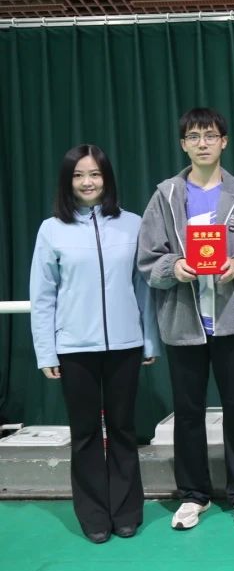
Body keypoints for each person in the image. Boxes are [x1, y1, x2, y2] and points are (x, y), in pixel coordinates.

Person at [137, 108, 234, 530]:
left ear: (224, 142)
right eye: (194, 136)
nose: (202, 143)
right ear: (183, 144)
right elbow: (148, 260)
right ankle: (194, 494)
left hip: (232, 322)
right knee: (188, 411)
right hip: (183, 324)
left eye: (210, 135)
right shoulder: (165, 196)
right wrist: (174, 268)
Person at [29, 144, 160, 544]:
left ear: (107, 179)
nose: (87, 182)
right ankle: (93, 515)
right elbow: (43, 296)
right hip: (74, 349)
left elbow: (144, 288)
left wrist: (149, 340)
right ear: (67, 182)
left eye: (95, 174)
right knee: (85, 432)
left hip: (125, 346)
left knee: (123, 429)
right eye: (79, 175)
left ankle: (126, 512)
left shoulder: (132, 224)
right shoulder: (51, 230)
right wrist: (46, 351)